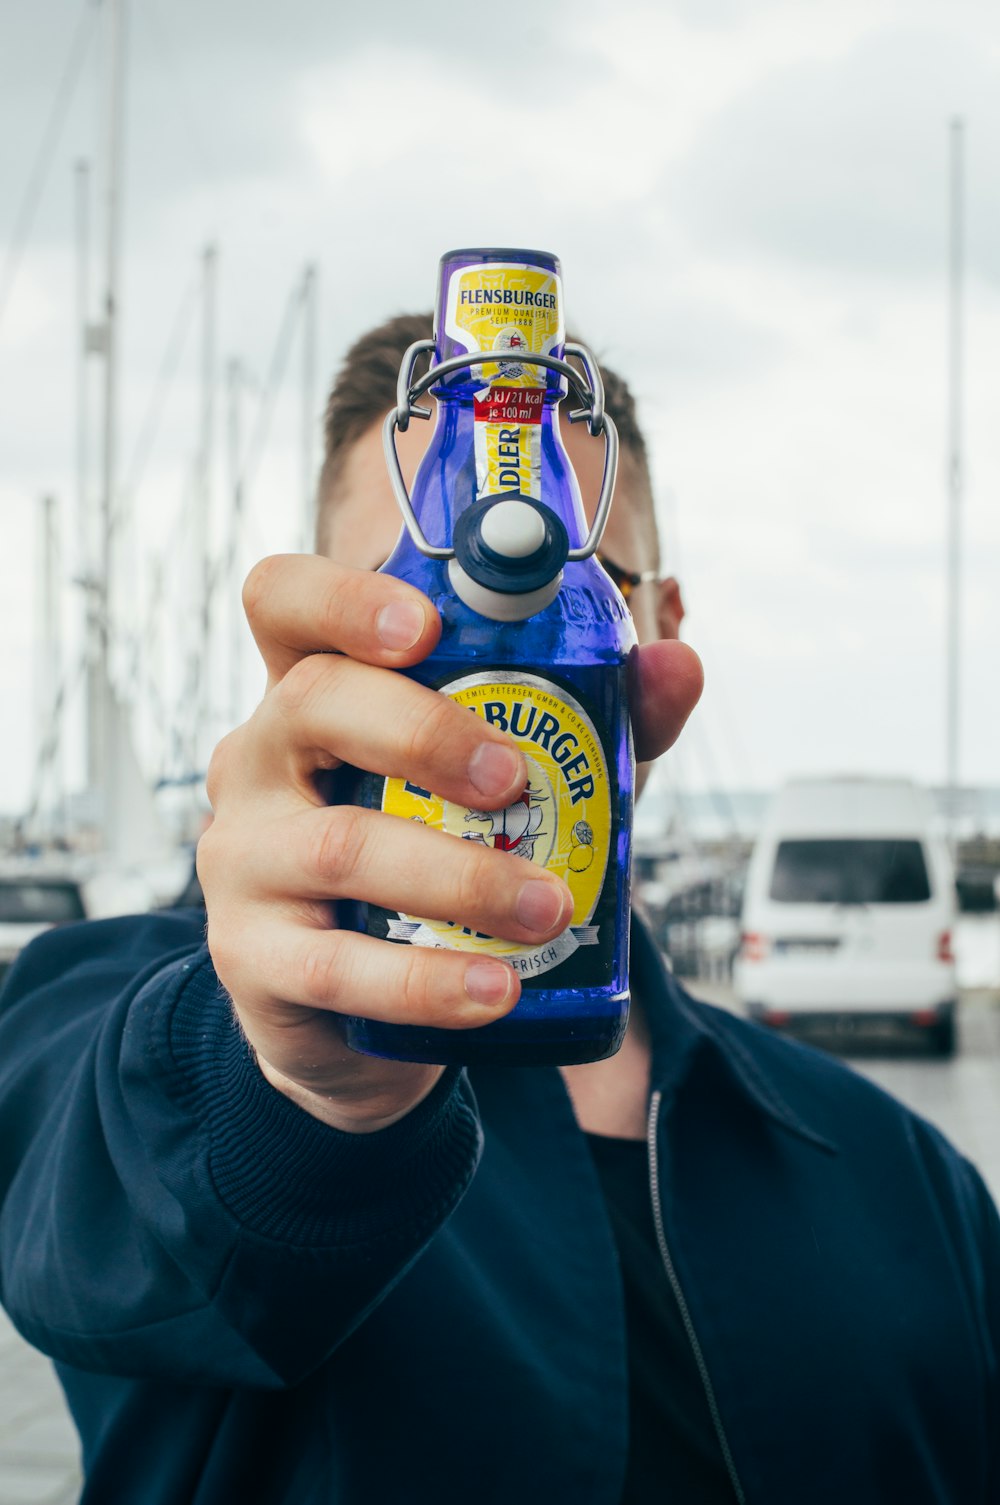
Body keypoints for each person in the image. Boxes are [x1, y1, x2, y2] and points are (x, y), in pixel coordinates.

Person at [0, 313, 997, 1505]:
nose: (493, 645)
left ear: (659, 625)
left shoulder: (903, 1176)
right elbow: (91, 1221)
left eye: (563, 580)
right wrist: (308, 1090)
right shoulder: (106, 1020)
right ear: (319, 643)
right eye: (417, 597)